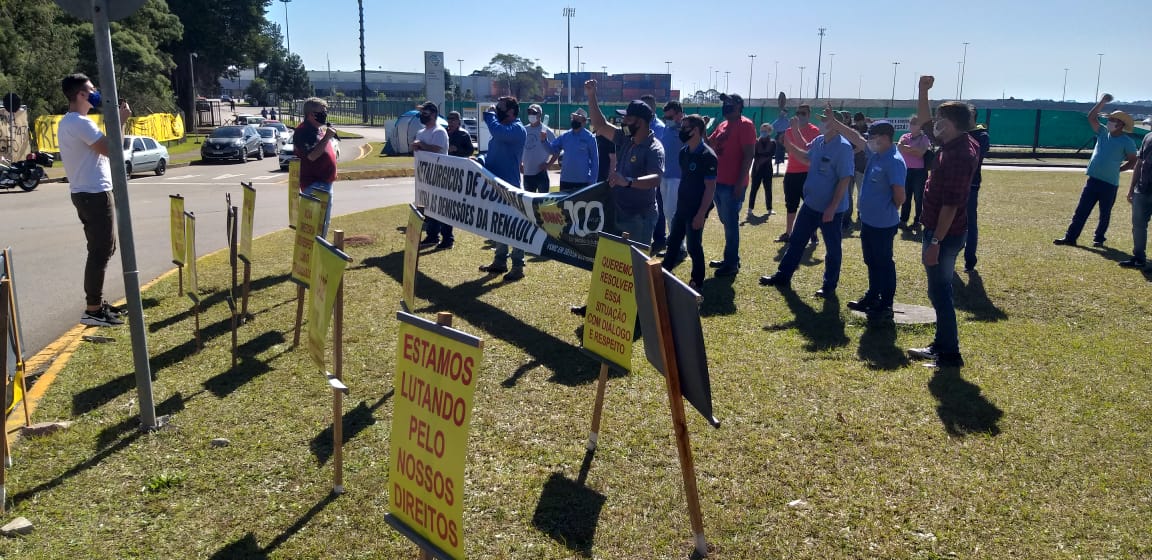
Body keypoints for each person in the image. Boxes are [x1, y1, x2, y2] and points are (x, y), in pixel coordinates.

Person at [906, 75, 979, 368]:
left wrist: (935, 241)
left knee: (941, 291)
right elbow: (924, 121)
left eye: (941, 119)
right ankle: (941, 345)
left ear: (955, 124)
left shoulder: (960, 153)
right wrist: (923, 90)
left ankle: (949, 354)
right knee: (938, 290)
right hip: (939, 231)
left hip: (944, 234)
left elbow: (951, 204)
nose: (935, 123)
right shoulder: (952, 142)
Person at [58, 73, 132, 327]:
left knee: (105, 248)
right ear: (81, 94)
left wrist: (117, 124)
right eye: (92, 89)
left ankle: (97, 304)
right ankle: (92, 309)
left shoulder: (74, 122)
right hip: (93, 194)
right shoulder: (79, 123)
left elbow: (111, 149)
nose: (96, 92)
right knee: (100, 251)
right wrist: (120, 121)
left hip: (89, 192)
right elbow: (112, 150)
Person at [758, 106, 855, 297]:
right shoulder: (819, 141)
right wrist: (788, 144)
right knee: (796, 241)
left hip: (831, 210)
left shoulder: (843, 147)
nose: (822, 123)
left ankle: (829, 286)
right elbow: (805, 157)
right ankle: (783, 275)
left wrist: (833, 207)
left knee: (832, 249)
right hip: (811, 204)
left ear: (836, 125)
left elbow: (845, 178)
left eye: (826, 120)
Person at [831, 116, 907, 322]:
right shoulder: (877, 154)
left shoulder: (894, 161)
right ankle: (873, 296)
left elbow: (899, 196)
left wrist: (883, 209)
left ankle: (886, 304)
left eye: (873, 136)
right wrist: (835, 122)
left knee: (884, 263)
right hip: (869, 221)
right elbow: (855, 136)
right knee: (871, 261)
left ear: (884, 137)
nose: (869, 140)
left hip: (883, 224)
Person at [585, 80, 664, 247]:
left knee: (635, 267)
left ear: (640, 122)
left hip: (639, 218)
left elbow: (656, 178)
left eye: (627, 118)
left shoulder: (654, 148)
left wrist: (627, 181)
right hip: (618, 212)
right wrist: (591, 96)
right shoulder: (626, 138)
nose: (624, 121)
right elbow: (600, 125)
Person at [1053, 94, 1139, 247]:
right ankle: (1070, 237)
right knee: (1081, 211)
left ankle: (1099, 238)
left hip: (1110, 184)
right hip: (1093, 180)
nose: (1110, 122)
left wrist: (1118, 170)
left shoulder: (1127, 141)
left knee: (1104, 214)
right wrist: (1103, 102)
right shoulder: (1102, 132)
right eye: (1110, 119)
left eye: (1113, 120)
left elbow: (1133, 161)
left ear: (1121, 124)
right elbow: (1091, 117)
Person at [661, 114, 717, 292]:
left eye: (685, 128)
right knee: (673, 242)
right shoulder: (683, 152)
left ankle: (697, 280)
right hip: (682, 207)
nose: (681, 131)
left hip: (697, 209)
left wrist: (701, 213)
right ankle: (663, 272)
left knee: (693, 246)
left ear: (696, 130)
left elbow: (710, 188)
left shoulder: (708, 156)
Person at [478, 96, 528, 281]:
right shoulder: (503, 130)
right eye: (496, 108)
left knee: (514, 227)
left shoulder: (517, 129)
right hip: (495, 186)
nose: (496, 111)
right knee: (498, 225)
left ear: (511, 112)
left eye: (500, 108)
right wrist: (480, 160)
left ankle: (518, 266)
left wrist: (489, 115)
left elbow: (498, 133)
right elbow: (492, 153)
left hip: (510, 187)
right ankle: (499, 261)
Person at [706, 93, 755, 277]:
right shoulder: (722, 125)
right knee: (726, 221)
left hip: (732, 183)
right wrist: (701, 129)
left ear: (739, 106)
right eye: (724, 103)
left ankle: (731, 263)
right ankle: (730, 257)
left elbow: (749, 155)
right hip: (718, 181)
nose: (726, 106)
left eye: (730, 104)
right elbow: (708, 144)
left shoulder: (746, 125)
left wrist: (739, 183)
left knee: (731, 223)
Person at [293, 97, 339, 236]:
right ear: (311, 114)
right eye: (322, 112)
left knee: (322, 223)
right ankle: (315, 253)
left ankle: (318, 250)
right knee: (316, 226)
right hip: (314, 185)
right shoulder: (304, 132)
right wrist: (327, 137)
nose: (325, 114)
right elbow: (312, 156)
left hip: (324, 183)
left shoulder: (317, 129)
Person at [412, 102, 452, 249]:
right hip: (426, 176)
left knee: (443, 208)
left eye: (425, 113)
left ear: (433, 114)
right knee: (429, 207)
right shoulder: (421, 133)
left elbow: (436, 150)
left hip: (441, 175)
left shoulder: (439, 132)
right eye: (421, 112)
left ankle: (447, 238)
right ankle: (432, 235)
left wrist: (421, 145)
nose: (422, 115)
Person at [779, 104, 820, 243]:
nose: (800, 116)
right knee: (791, 204)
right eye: (798, 113)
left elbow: (806, 149)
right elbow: (788, 148)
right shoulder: (789, 130)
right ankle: (788, 233)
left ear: (809, 115)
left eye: (803, 113)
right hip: (791, 172)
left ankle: (813, 233)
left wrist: (796, 131)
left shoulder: (815, 131)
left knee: (810, 204)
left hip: (808, 173)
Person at [1119, 119, 1152, 269]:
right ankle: (1139, 258)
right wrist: (1132, 188)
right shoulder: (1148, 137)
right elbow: (1139, 163)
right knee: (1138, 225)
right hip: (1142, 190)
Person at [546, 108, 598, 192]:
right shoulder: (565, 136)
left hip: (582, 181)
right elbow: (552, 149)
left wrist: (592, 181)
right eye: (573, 118)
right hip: (565, 180)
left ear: (584, 121)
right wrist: (544, 140)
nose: (574, 120)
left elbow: (595, 161)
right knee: (564, 205)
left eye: (577, 119)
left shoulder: (590, 138)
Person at [642, 94, 669, 253]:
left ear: (652, 107)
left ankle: (659, 239)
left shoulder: (659, 127)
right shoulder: (640, 125)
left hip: (656, 175)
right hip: (641, 173)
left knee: (657, 205)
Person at [963, 120, 990, 272]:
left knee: (970, 223)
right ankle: (946, 257)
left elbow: (976, 156)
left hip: (971, 185)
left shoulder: (981, 135)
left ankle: (970, 261)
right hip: (951, 184)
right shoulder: (954, 131)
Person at [659, 101, 686, 253]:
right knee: (668, 211)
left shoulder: (686, 129)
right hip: (665, 176)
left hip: (678, 177)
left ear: (679, 115)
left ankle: (679, 246)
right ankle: (674, 241)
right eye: (665, 116)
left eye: (669, 116)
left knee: (674, 212)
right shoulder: (667, 129)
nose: (666, 119)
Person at [897, 115, 932, 231]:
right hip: (906, 170)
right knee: (905, 196)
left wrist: (909, 148)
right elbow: (900, 147)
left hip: (919, 172)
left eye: (915, 123)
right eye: (911, 123)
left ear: (920, 126)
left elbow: (921, 153)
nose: (912, 126)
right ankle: (903, 219)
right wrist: (914, 148)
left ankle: (918, 221)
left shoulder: (924, 138)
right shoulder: (905, 136)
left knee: (919, 197)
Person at [521, 104, 556, 194]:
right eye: (529, 112)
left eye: (534, 112)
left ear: (540, 115)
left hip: (541, 174)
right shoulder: (524, 130)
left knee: (543, 205)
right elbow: (519, 149)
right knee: (529, 204)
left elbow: (557, 151)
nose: (531, 114)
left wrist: (548, 165)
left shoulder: (547, 131)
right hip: (527, 174)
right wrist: (519, 164)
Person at [748, 123, 776, 218]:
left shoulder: (772, 142)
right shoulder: (755, 142)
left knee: (768, 189)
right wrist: (760, 158)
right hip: (757, 169)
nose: (763, 132)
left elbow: (770, 154)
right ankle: (750, 209)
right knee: (754, 189)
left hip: (767, 169)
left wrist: (761, 158)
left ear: (769, 132)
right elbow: (754, 154)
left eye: (766, 130)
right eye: (762, 130)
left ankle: (769, 209)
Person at [771, 109, 791, 175]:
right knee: (777, 149)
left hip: (784, 136)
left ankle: (780, 161)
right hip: (779, 135)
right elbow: (772, 126)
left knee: (782, 149)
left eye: (784, 113)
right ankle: (777, 161)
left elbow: (789, 128)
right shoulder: (778, 120)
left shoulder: (787, 121)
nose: (782, 114)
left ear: (786, 114)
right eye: (782, 112)